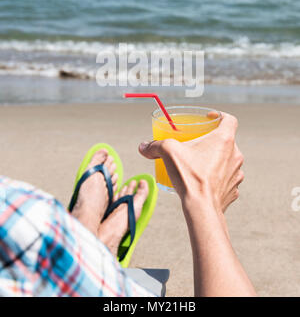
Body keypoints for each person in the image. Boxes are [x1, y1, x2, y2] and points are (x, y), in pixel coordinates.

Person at [0, 112, 256, 297]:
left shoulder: (18, 209)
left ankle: (87, 230)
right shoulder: (22, 212)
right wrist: (205, 200)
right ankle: (97, 241)